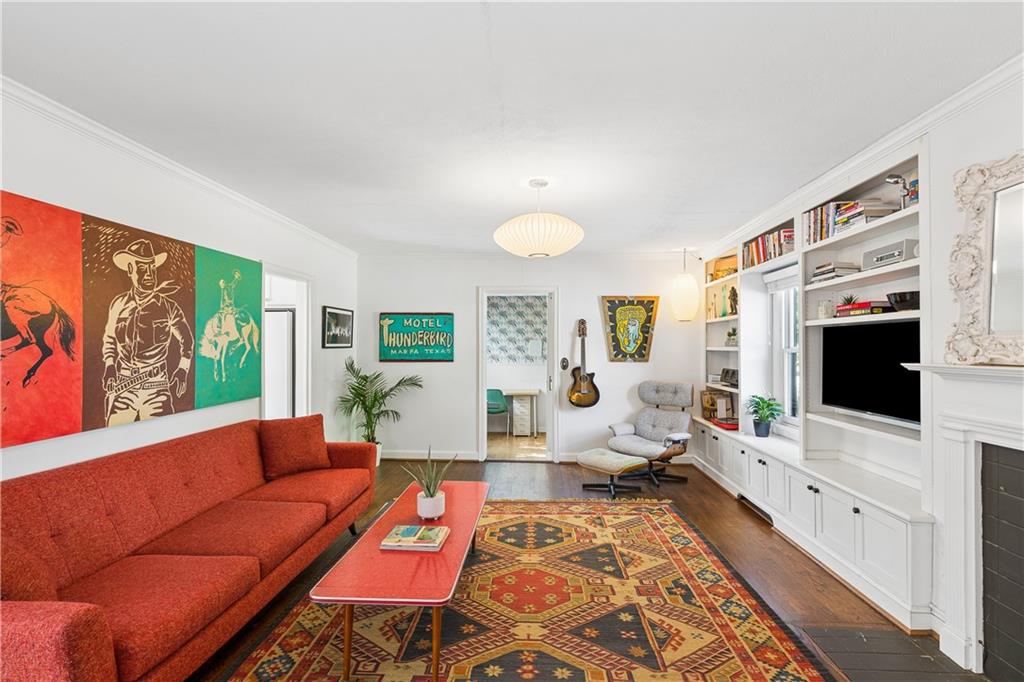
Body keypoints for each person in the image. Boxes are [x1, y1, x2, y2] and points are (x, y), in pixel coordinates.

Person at [102, 238, 194, 425]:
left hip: (157, 389)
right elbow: (109, 338)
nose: (150, 274)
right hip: (123, 387)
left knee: (163, 441)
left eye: (152, 267)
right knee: (113, 439)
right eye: (142, 268)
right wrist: (110, 366)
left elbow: (187, 340)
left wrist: (183, 369)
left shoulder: (168, 307)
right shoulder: (118, 305)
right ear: (130, 270)